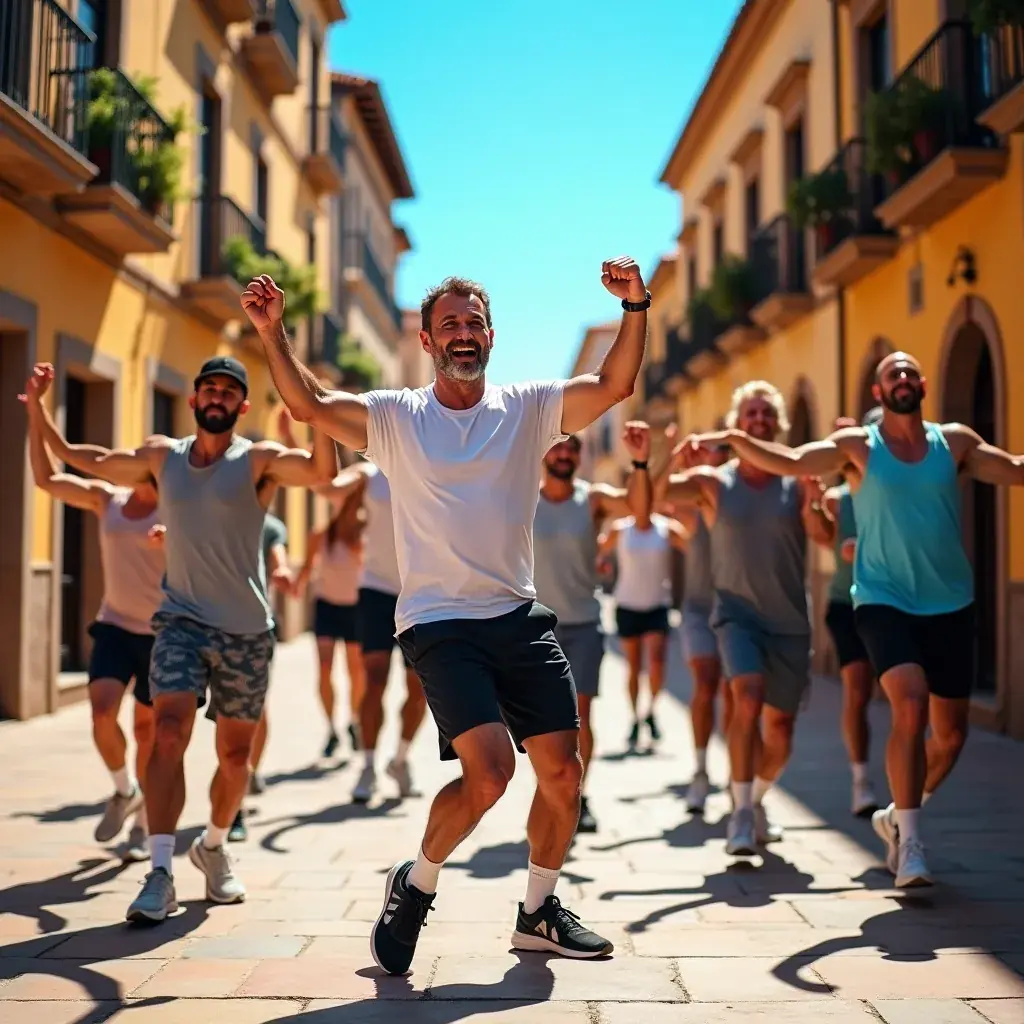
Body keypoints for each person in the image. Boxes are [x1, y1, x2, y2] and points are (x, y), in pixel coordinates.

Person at [241, 257, 649, 972]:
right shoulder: (397, 417)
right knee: (489, 774)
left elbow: (615, 384)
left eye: (473, 322)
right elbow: (309, 406)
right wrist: (274, 333)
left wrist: (636, 305)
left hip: (517, 614)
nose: (463, 333)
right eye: (449, 324)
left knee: (563, 773)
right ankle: (417, 883)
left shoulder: (528, 408)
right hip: (438, 621)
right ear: (428, 342)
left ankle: (538, 912)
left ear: (492, 335)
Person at [687, 352, 1024, 887]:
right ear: (878, 389)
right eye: (895, 373)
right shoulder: (858, 448)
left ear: (925, 384)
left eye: (911, 372)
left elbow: (1014, 470)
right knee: (908, 704)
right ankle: (910, 842)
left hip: (950, 602)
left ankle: (894, 814)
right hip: (881, 598)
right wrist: (736, 439)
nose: (904, 379)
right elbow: (794, 461)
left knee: (951, 736)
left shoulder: (954, 443)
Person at [25, 356, 337, 921]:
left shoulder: (259, 461)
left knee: (236, 756)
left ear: (242, 407)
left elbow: (321, 475)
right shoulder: (161, 459)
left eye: (229, 391)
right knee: (167, 730)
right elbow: (80, 459)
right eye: (208, 387)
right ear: (193, 400)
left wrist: (312, 410)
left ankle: (213, 846)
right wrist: (40, 411)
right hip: (179, 621)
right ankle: (160, 870)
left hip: (246, 629)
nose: (217, 396)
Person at [660, 381, 833, 857]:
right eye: (750, 414)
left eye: (765, 414)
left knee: (780, 732)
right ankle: (738, 813)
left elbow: (824, 537)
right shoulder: (716, 482)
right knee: (746, 696)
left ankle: (755, 799)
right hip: (735, 615)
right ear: (737, 425)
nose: (758, 420)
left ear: (776, 425)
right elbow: (655, 499)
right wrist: (670, 457)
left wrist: (815, 500)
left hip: (790, 622)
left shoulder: (795, 479)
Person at [21, 375, 164, 863]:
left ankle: (145, 822)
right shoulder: (110, 501)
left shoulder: (179, 509)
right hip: (115, 624)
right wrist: (33, 412)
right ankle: (123, 789)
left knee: (147, 732)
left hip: (161, 634)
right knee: (102, 710)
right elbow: (47, 479)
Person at [533, 423, 653, 833]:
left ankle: (577, 797)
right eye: (557, 449)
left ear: (580, 458)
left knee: (580, 716)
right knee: (543, 726)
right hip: (534, 628)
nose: (564, 455)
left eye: (571, 450)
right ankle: (553, 791)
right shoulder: (523, 500)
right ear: (544, 455)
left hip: (583, 624)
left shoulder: (593, 499)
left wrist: (640, 461)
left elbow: (639, 511)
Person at [818, 409, 884, 819]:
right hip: (848, 603)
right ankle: (862, 779)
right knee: (858, 691)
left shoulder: (898, 489)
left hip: (897, 603)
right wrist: (813, 507)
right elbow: (824, 537)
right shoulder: (837, 498)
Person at [670, 438, 734, 813]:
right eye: (716, 457)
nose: (722, 464)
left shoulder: (743, 505)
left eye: (727, 457)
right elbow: (669, 500)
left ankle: (736, 775)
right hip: (698, 610)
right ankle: (699, 769)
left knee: (736, 693)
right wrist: (679, 463)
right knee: (705, 682)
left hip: (738, 610)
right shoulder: (694, 510)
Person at [227, 509, 295, 841]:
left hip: (255, 629)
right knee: (230, 722)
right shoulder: (212, 514)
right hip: (208, 627)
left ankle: (237, 801)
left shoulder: (270, 526)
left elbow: (277, 555)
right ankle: (239, 783)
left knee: (253, 714)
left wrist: (282, 569)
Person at [597, 506, 688, 750]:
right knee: (634, 666)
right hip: (627, 605)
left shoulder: (667, 529)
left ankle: (651, 709)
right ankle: (636, 717)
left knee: (657, 663)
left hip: (658, 605)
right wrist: (601, 564)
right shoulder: (620, 529)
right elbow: (598, 552)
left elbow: (696, 544)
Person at [296, 489, 366, 762]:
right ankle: (331, 729)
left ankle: (354, 721)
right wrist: (294, 583)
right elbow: (306, 568)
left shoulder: (364, 535)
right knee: (324, 669)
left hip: (356, 608)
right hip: (326, 606)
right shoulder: (320, 535)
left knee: (355, 672)